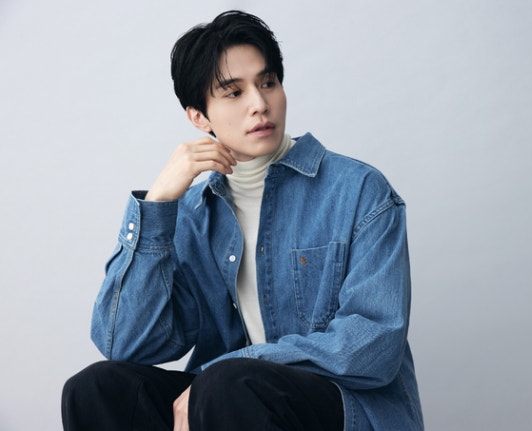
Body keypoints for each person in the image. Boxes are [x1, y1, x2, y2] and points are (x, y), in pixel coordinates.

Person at [61, 10, 423, 431]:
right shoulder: (194, 215)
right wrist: (157, 203)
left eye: (267, 83)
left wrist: (234, 365)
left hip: (340, 408)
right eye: (234, 93)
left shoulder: (358, 190)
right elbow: (123, 343)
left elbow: (374, 346)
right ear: (199, 117)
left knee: (227, 383)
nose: (260, 104)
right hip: (226, 400)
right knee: (95, 389)